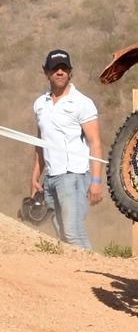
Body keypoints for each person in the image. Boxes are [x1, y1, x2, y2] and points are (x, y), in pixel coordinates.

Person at [31, 50, 103, 249]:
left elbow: (95, 143)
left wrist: (96, 182)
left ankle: (92, 266)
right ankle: (75, 269)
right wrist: (35, 178)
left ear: (70, 72)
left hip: (74, 176)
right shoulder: (40, 104)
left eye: (64, 68)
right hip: (50, 178)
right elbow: (40, 143)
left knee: (73, 232)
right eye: (55, 68)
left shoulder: (82, 103)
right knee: (61, 232)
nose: (60, 72)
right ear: (46, 72)